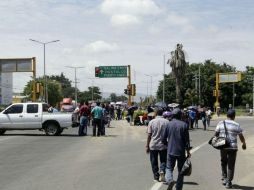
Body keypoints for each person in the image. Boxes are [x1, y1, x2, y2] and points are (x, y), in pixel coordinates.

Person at [214, 109, 246, 189]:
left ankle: (224, 178)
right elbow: (241, 136)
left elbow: (216, 134)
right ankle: (228, 182)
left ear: (227, 115)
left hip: (223, 146)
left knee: (223, 162)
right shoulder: (236, 124)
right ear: (234, 116)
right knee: (231, 165)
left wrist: (217, 140)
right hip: (233, 147)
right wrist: (244, 143)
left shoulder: (221, 123)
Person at [162, 108, 191, 190]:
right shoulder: (184, 125)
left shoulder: (168, 124)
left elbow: (163, 139)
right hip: (181, 151)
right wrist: (188, 151)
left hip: (170, 150)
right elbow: (187, 141)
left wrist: (168, 146)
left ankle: (170, 180)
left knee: (169, 168)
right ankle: (178, 187)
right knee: (181, 171)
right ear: (180, 115)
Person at [146, 109, 168, 182]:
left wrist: (147, 146)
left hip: (153, 144)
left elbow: (149, 134)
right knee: (163, 160)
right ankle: (162, 171)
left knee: (153, 161)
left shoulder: (151, 122)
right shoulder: (167, 122)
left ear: (155, 113)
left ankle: (156, 176)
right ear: (162, 114)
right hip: (163, 145)